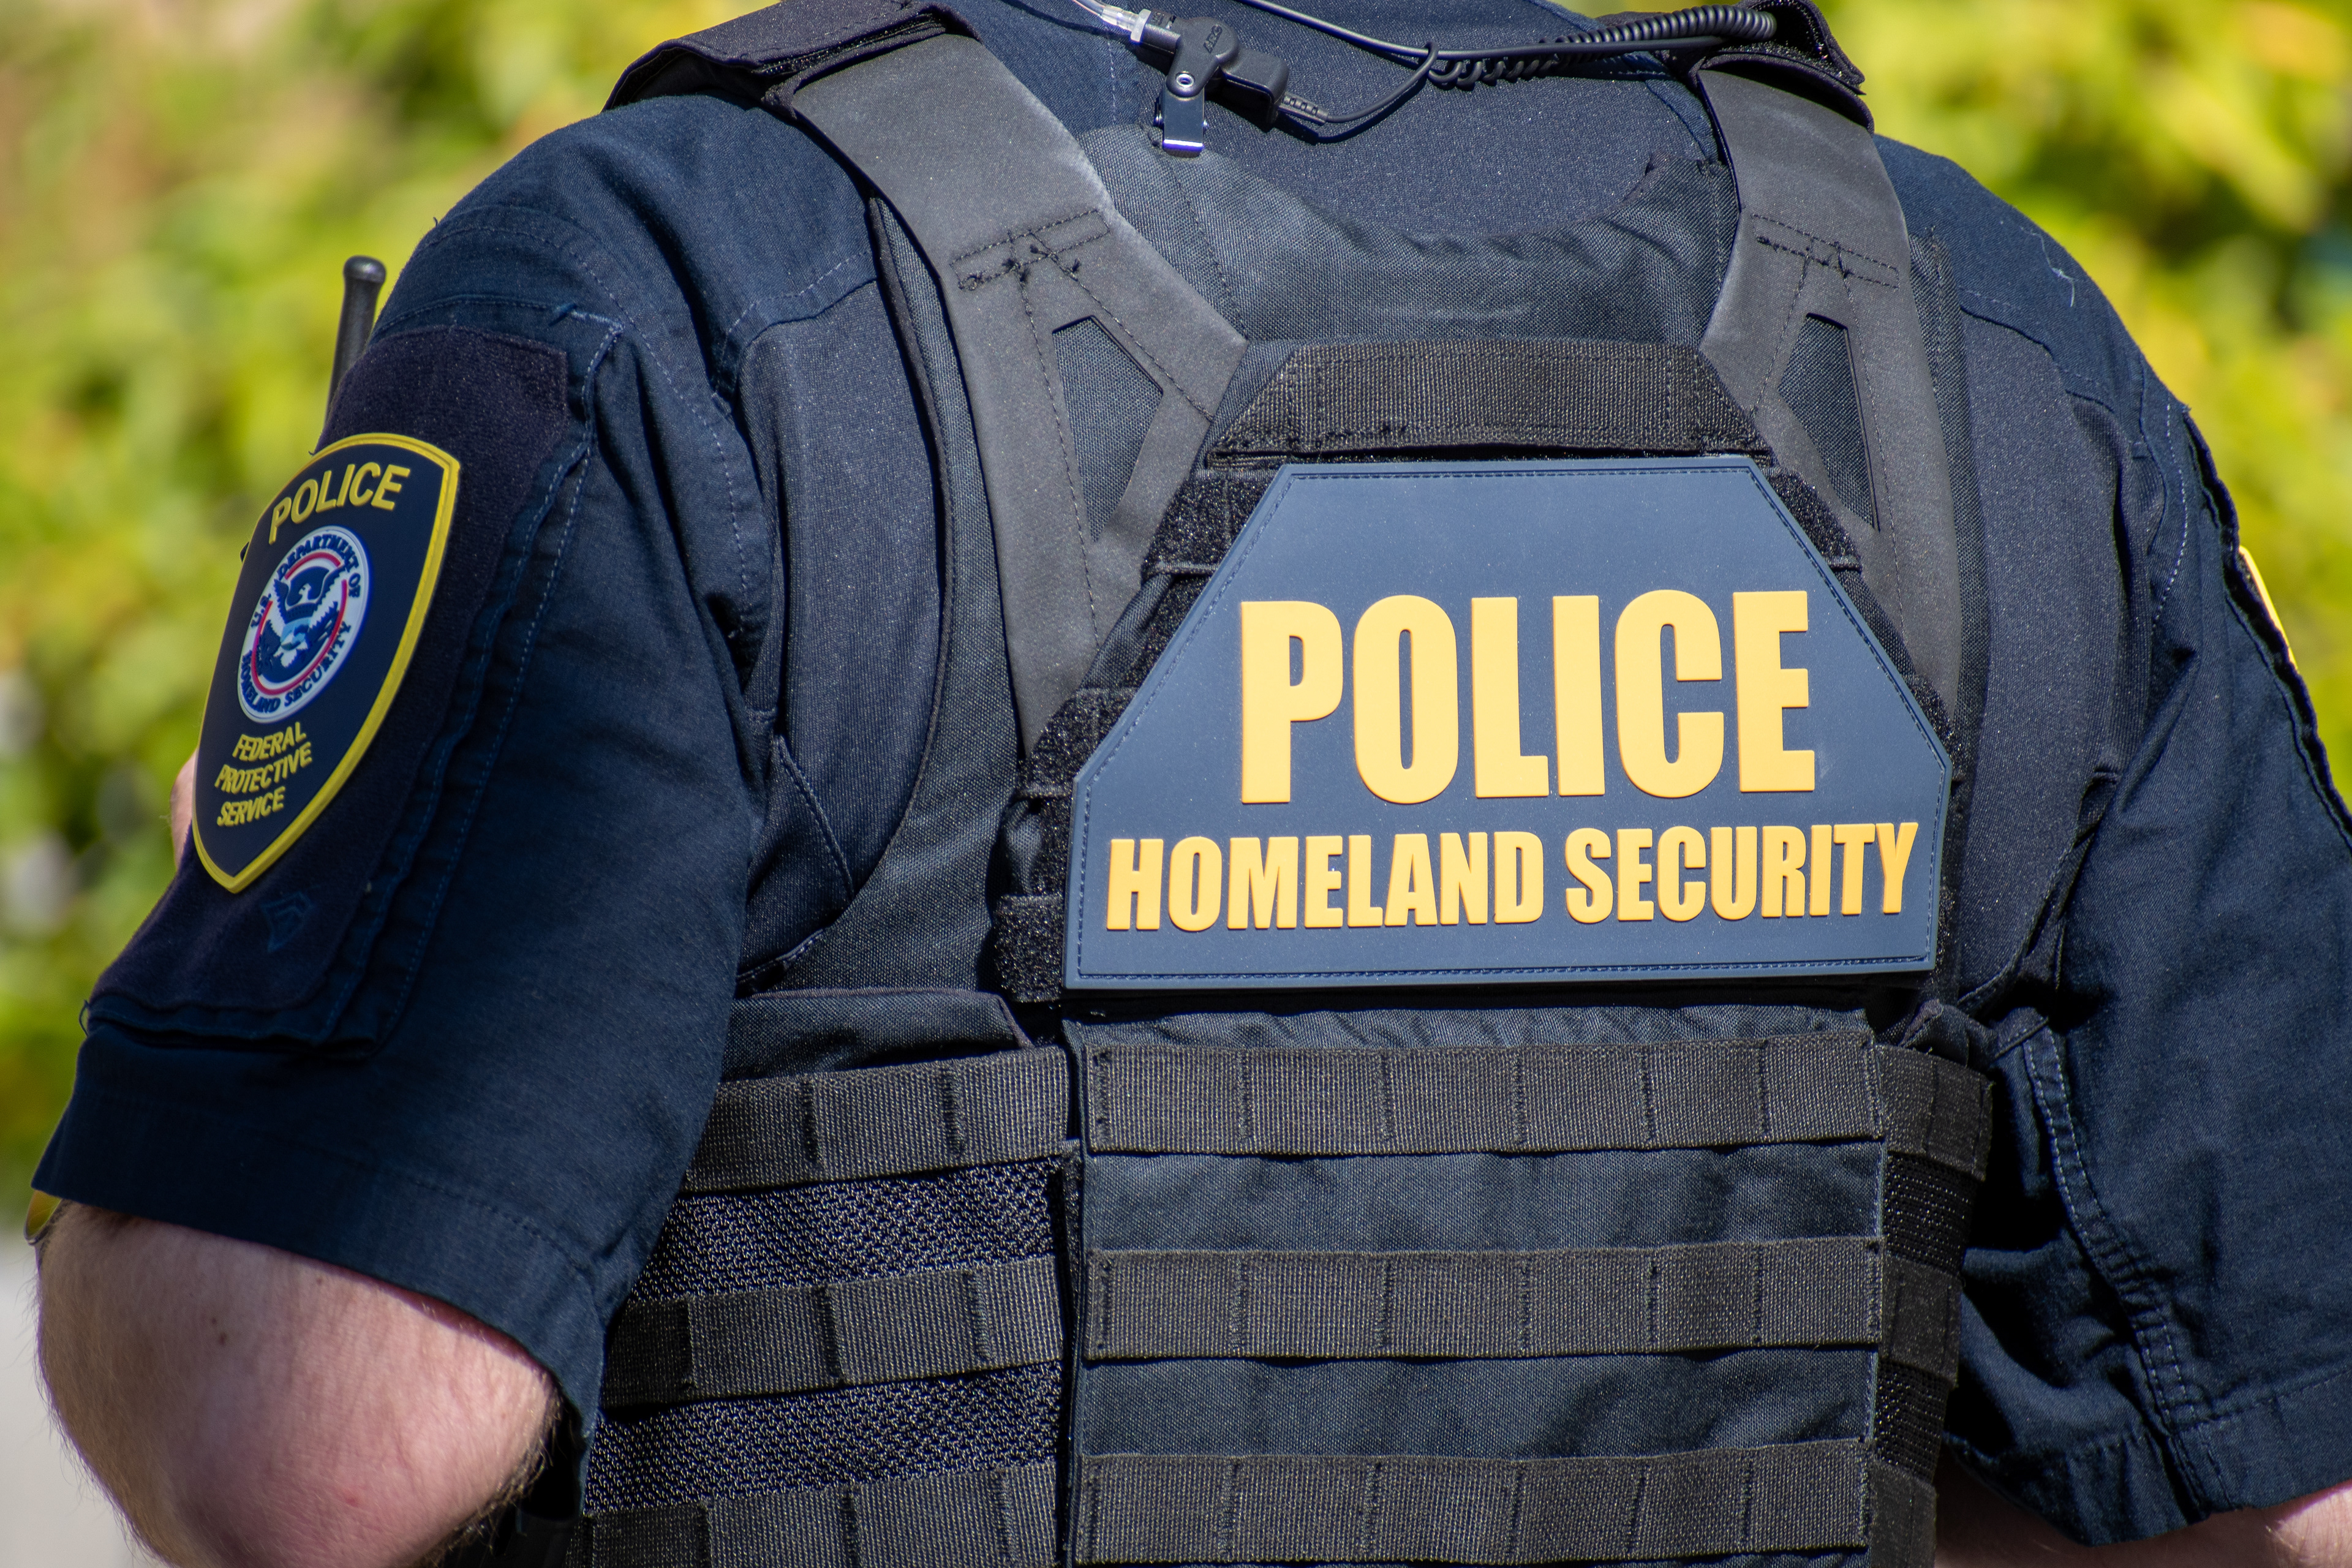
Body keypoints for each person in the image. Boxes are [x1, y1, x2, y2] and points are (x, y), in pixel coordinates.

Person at [28, 0, 2352, 1563]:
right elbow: (2286, 1483)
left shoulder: (680, 295)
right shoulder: (1994, 344)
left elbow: (311, 1439)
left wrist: (203, 1112)